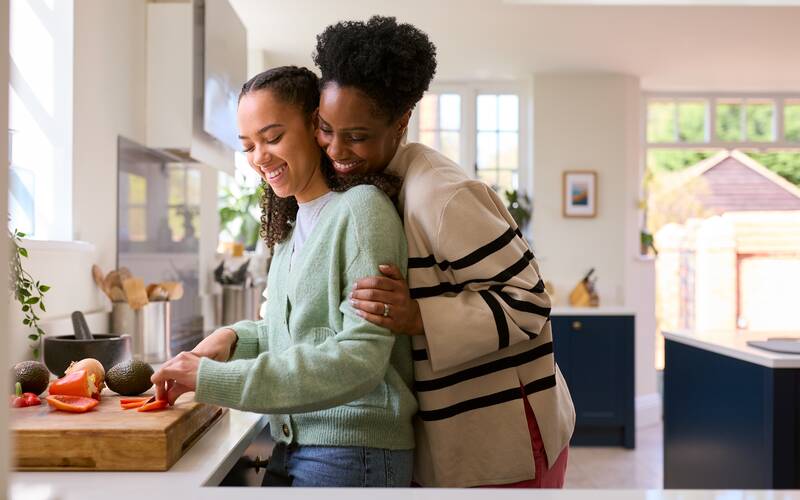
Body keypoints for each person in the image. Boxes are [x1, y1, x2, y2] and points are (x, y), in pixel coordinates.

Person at [313, 16, 575, 488]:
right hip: (452, 437)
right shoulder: (375, 185)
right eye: (326, 129)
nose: (335, 149)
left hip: (506, 439)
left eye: (356, 135)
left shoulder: (441, 194)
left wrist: (418, 316)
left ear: (401, 122)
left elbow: (530, 301)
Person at [150, 66, 417, 488]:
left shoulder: (361, 210)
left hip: (354, 452)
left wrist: (213, 379)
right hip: (296, 447)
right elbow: (302, 333)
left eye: (272, 138)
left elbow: (360, 360)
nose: (259, 157)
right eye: (249, 145)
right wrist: (236, 338)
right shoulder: (292, 231)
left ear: (317, 126)